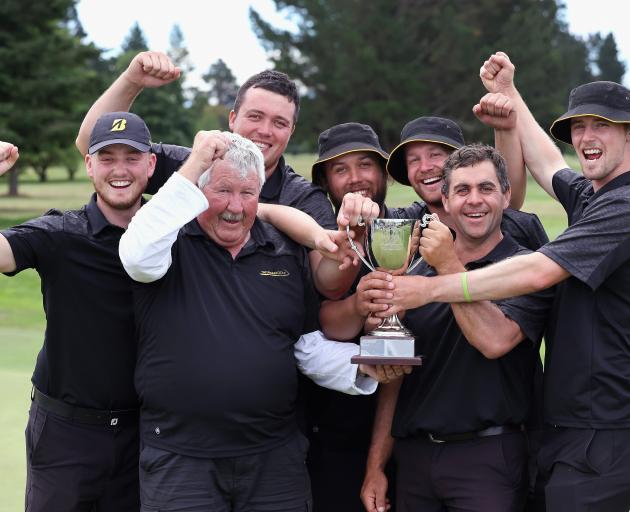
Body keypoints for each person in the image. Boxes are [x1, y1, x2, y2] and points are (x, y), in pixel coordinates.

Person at [372, 51, 630, 512]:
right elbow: (548, 162)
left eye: (602, 125)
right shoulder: (594, 196)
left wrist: (430, 286)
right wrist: (510, 94)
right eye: (578, 127)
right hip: (572, 429)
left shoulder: (623, 205)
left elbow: (539, 271)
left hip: (607, 429)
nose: (586, 137)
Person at [116, 129, 382, 511]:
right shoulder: (167, 241)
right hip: (181, 458)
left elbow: (302, 345)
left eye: (248, 193)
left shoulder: (281, 249)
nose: (236, 207)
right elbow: (136, 257)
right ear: (197, 190)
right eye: (222, 190)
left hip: (274, 458)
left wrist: (365, 366)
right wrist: (195, 162)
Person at [360, 143, 552, 512]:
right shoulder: (415, 268)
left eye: (486, 188)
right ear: (445, 201)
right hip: (414, 458)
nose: (474, 200)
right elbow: (395, 379)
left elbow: (494, 340)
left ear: (506, 195)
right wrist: (375, 466)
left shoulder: (526, 267)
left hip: (487, 458)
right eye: (462, 190)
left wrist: (448, 266)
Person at [75, 51, 356, 300]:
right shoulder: (191, 166)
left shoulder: (302, 197)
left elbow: (327, 283)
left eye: (279, 123)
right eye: (255, 116)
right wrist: (131, 80)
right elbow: (92, 142)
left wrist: (344, 250)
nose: (265, 131)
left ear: (291, 132)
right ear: (232, 118)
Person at [1, 112, 157, 511]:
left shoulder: (175, 234)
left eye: (131, 157)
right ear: (89, 165)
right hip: (65, 437)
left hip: (146, 437)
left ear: (151, 164)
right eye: (107, 158)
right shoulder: (60, 234)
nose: (119, 170)